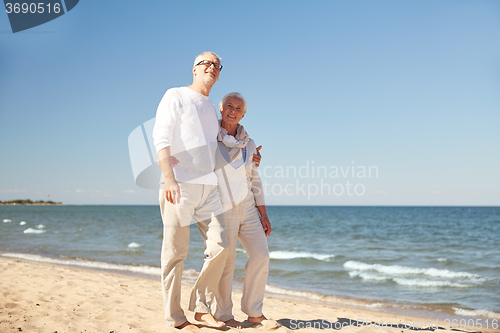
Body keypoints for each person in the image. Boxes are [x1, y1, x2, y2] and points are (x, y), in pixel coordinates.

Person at [152, 52, 228, 330]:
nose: (212, 67)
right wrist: (169, 179)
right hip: (180, 185)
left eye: (217, 65)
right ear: (194, 69)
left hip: (209, 188)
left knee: (221, 246)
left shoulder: (211, 108)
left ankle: (199, 308)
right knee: (175, 253)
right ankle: (175, 318)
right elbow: (160, 136)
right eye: (206, 63)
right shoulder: (176, 95)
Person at [213, 92, 272, 328]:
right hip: (221, 206)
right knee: (226, 262)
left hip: (247, 207)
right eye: (229, 105)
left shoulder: (248, 142)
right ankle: (223, 313)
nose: (233, 110)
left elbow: (254, 178)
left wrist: (264, 214)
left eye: (238, 108)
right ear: (221, 108)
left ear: (243, 113)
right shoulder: (209, 137)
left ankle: (254, 312)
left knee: (260, 255)